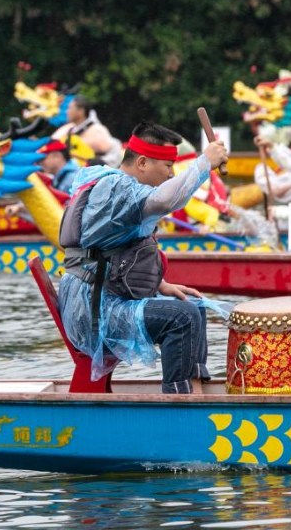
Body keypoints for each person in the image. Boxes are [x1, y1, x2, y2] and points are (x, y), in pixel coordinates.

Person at [57, 120, 229, 394]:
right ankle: (179, 402)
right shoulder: (116, 188)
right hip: (92, 311)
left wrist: (161, 286)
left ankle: (196, 390)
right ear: (142, 163)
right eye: (168, 167)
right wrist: (204, 163)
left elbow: (113, 249)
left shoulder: (120, 186)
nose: (172, 175)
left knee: (193, 305)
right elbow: (165, 200)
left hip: (102, 295)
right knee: (181, 317)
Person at [52, 96, 123, 167]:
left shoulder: (97, 130)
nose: (67, 112)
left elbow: (111, 152)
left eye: (70, 108)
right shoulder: (69, 128)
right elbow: (53, 142)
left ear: (81, 111)